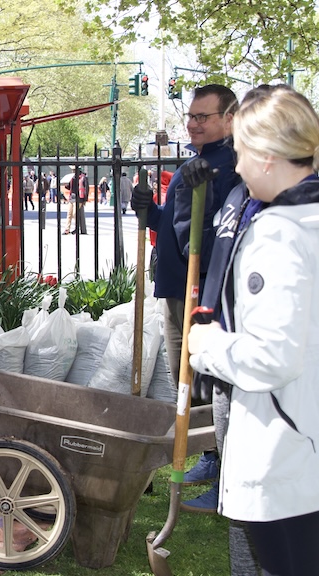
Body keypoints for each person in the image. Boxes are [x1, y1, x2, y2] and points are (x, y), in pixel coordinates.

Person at [188, 84, 319, 576]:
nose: (237, 166)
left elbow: (272, 357)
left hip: (287, 449)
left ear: (265, 156)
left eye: (241, 153)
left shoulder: (280, 233)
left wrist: (208, 347)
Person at [131, 84, 240, 498]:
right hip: (179, 287)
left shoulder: (228, 166)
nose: (192, 123)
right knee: (188, 379)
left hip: (203, 290)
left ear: (228, 119)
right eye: (191, 116)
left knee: (207, 380)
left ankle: (223, 462)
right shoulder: (195, 162)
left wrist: (204, 192)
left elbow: (210, 235)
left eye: (202, 117)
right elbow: (180, 226)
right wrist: (149, 212)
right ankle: (211, 455)